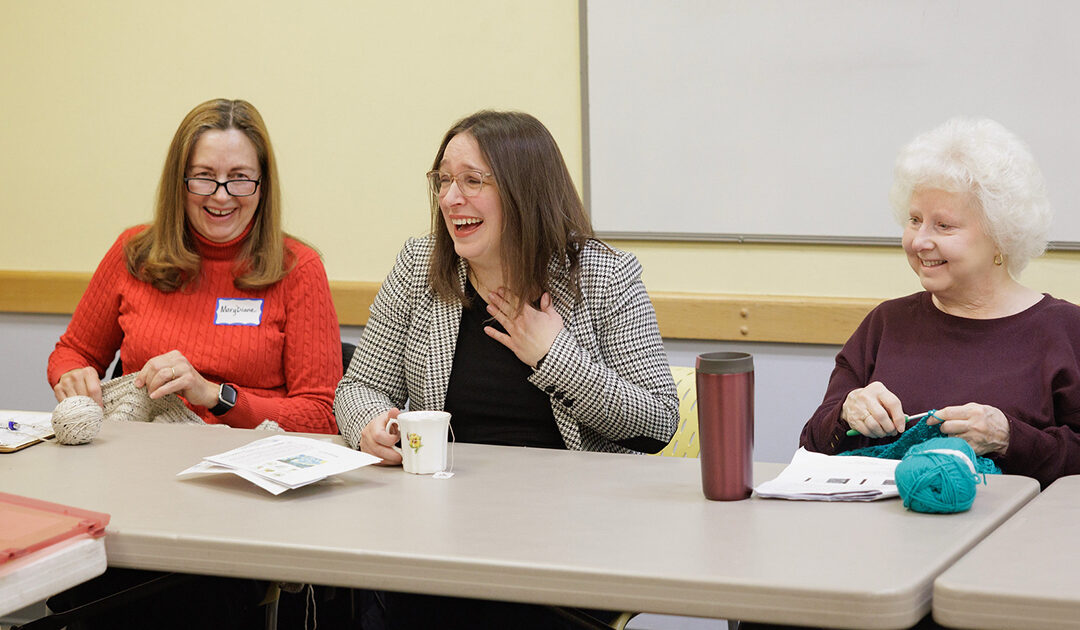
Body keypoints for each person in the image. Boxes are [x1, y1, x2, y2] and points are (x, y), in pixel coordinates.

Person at [334, 110, 678, 627]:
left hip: (568, 543)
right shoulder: (420, 266)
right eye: (444, 180)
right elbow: (359, 384)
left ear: (524, 192)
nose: (452, 198)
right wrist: (371, 424)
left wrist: (553, 356)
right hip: (439, 534)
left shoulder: (605, 275)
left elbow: (656, 421)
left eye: (473, 181)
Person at [800, 117, 1080, 490]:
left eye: (943, 226)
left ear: (1001, 236)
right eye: (914, 220)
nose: (919, 241)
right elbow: (812, 445)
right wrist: (846, 414)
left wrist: (1010, 438)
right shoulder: (885, 324)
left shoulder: (1065, 331)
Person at [48, 98, 341, 434]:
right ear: (180, 181)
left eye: (239, 177)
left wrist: (215, 396)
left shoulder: (298, 268)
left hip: (250, 463)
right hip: (144, 457)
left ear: (263, 186)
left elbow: (322, 416)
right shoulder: (135, 252)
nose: (220, 195)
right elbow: (73, 352)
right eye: (204, 177)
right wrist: (72, 376)